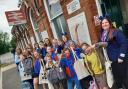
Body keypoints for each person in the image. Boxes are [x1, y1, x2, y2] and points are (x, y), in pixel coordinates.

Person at [95, 17, 128, 89]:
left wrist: (121, 56)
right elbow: (100, 44)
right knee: (118, 80)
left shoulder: (116, 31)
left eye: (106, 22)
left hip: (120, 60)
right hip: (112, 61)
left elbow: (124, 43)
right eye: (103, 23)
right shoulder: (103, 34)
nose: (104, 24)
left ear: (110, 23)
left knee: (125, 79)